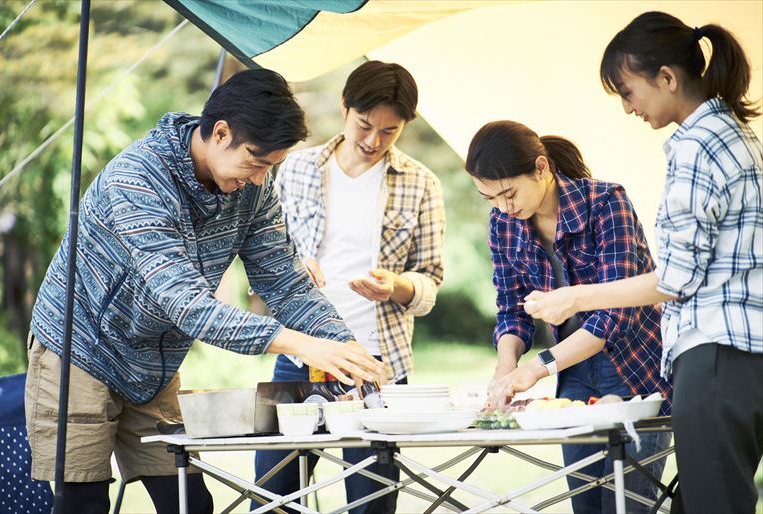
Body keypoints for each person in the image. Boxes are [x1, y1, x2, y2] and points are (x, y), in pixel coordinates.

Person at [25, 69, 384, 514]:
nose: (259, 180)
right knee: (83, 500)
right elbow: (182, 300)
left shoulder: (255, 186)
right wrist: (298, 344)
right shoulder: (138, 178)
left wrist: (340, 343)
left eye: (271, 167)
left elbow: (285, 280)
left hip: (153, 360)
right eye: (255, 162)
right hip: (78, 348)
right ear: (220, 132)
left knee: (189, 501)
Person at [523, 11, 763, 514]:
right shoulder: (732, 134)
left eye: (628, 92)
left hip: (717, 352)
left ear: (668, 78)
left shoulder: (698, 146)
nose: (628, 108)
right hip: (741, 353)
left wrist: (577, 296)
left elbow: (676, 278)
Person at [253, 60, 445, 514]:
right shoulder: (295, 167)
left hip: (376, 363)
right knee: (274, 494)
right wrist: (295, 266)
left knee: (371, 498)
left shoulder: (422, 183)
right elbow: (263, 254)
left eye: (389, 131)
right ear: (345, 106)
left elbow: (431, 281)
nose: (373, 141)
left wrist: (396, 286)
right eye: (365, 125)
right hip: (301, 353)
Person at [464, 120, 672, 513]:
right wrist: (505, 370)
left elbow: (616, 316)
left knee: (626, 505)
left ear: (541, 168)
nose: (504, 207)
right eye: (490, 198)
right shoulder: (503, 223)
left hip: (633, 372)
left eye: (509, 193)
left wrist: (536, 369)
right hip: (573, 376)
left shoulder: (607, 202)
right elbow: (512, 307)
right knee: (586, 504)